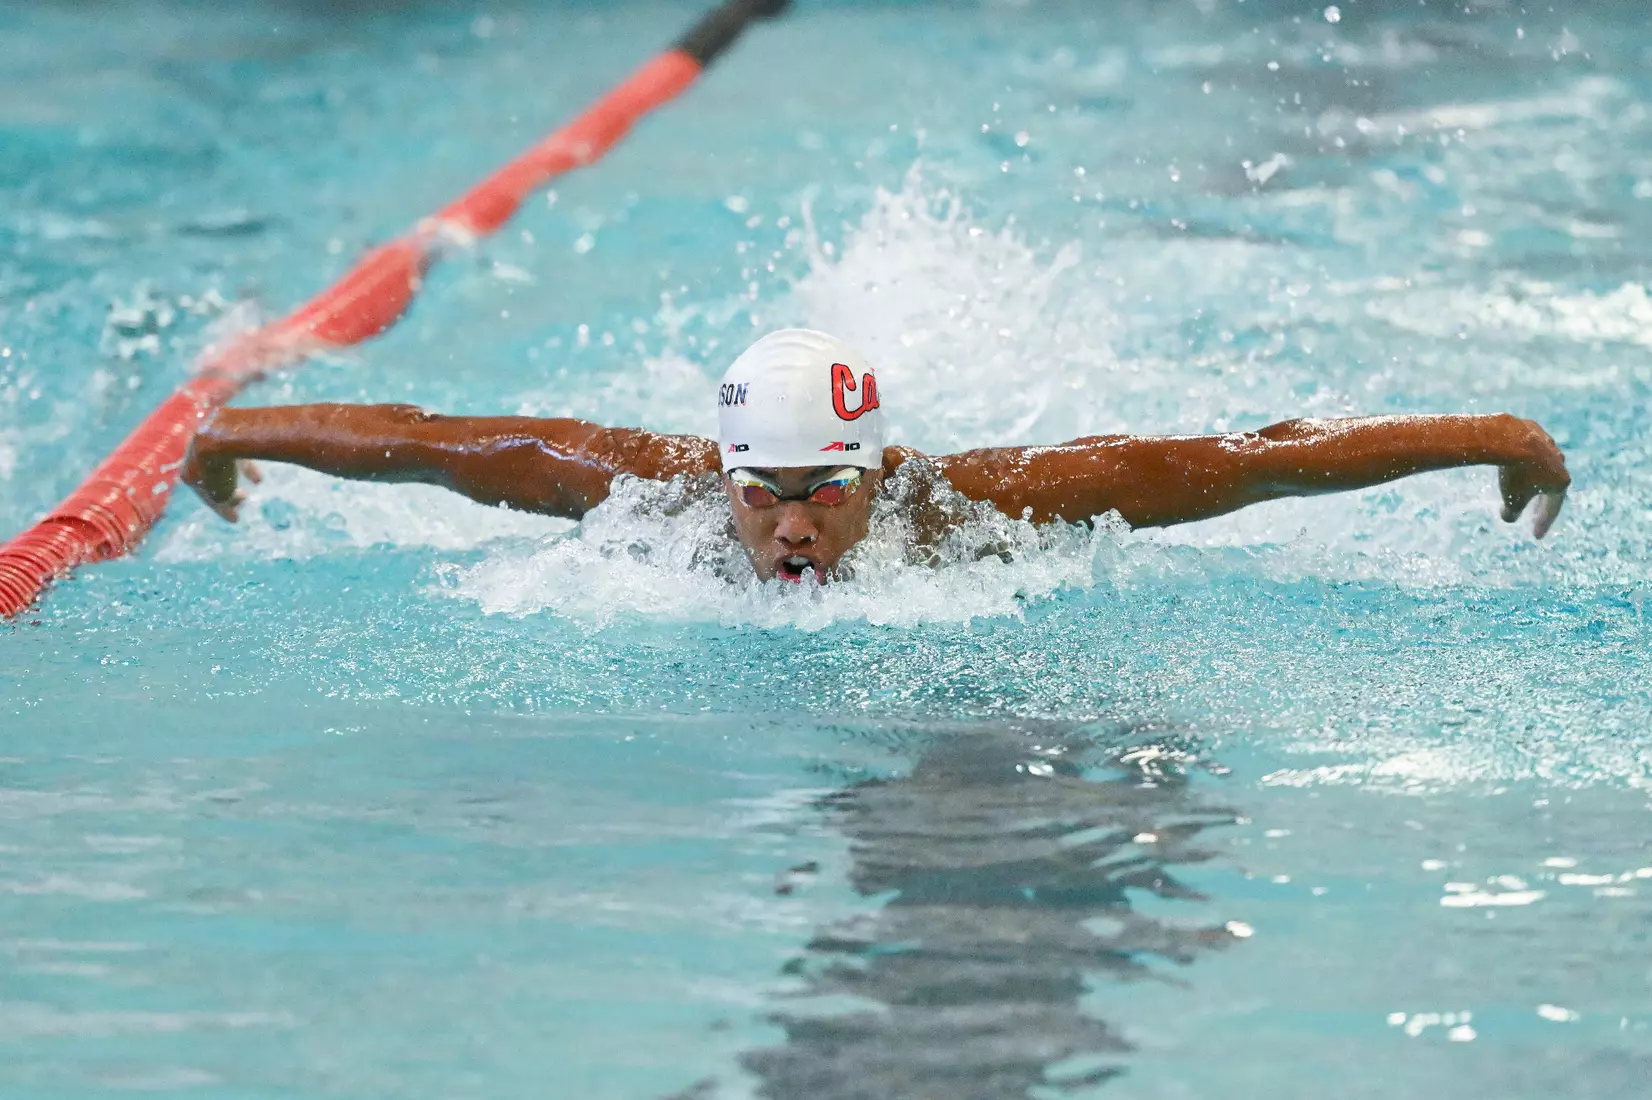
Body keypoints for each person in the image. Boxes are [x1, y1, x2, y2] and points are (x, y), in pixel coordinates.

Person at [182, 328, 1570, 584]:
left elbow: (1244, 458)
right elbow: (430, 447)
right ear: (721, 472)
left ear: (877, 471)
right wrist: (230, 437)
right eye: (764, 496)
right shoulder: (645, 491)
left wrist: (1490, 439)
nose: (793, 530)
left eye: (825, 496)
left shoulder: (977, 512)